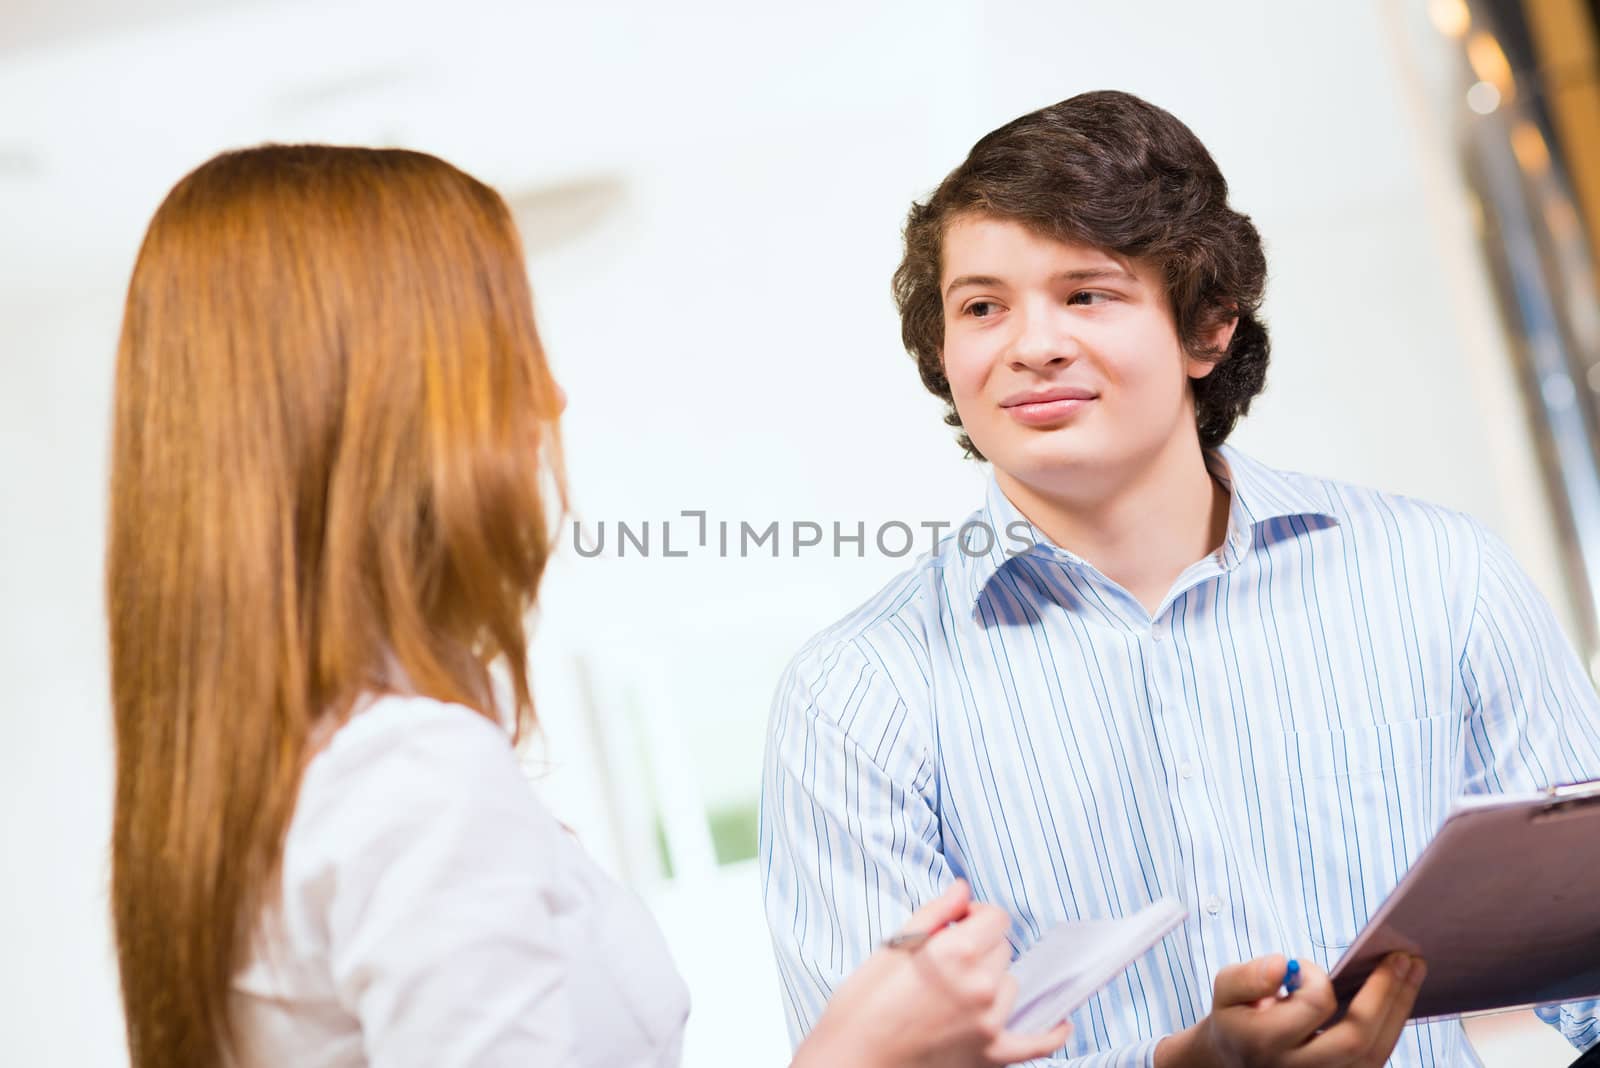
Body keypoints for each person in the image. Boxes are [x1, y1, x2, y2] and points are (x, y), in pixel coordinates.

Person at [104, 144, 1073, 1068]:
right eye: (502, 346)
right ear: (383, 408)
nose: (550, 394)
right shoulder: (412, 777)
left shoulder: (256, 788)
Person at [759, 90, 1600, 1067]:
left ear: (1207, 329)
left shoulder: (1442, 579)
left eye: (1087, 294)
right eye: (982, 307)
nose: (1031, 346)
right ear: (943, 355)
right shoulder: (855, 696)